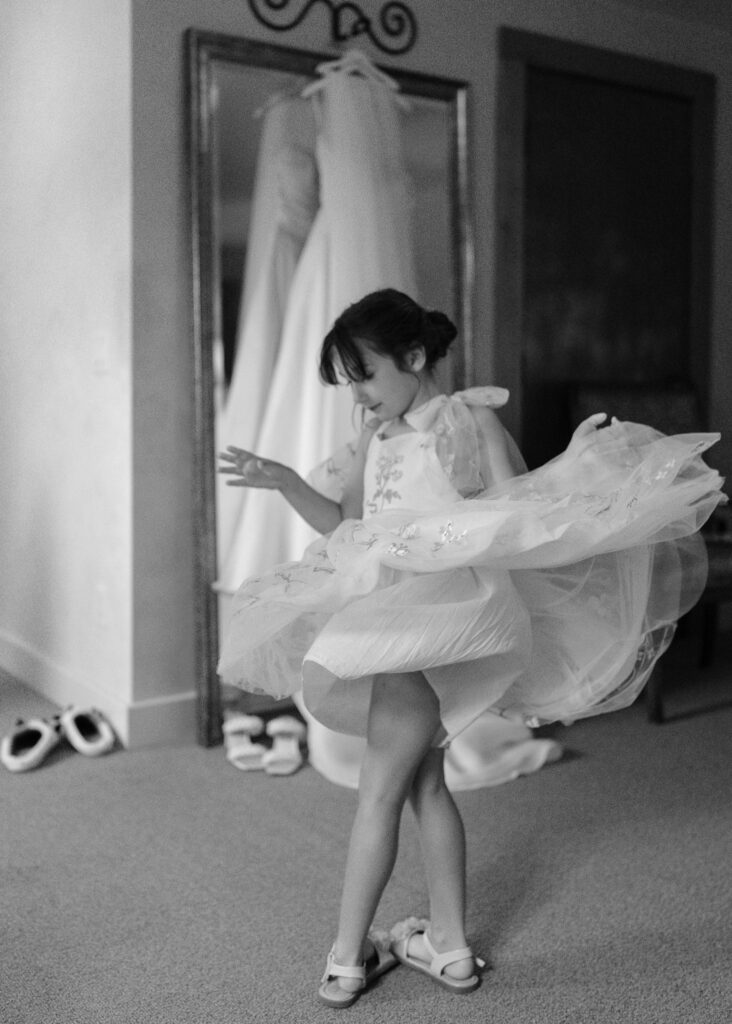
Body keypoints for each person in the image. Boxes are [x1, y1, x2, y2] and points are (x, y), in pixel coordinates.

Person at [217, 289, 723, 1008]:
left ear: (414, 357)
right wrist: (286, 481)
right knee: (426, 783)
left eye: (364, 375)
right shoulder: (377, 437)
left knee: (377, 797)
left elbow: (521, 509)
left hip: (429, 625)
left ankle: (346, 958)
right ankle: (449, 949)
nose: (357, 395)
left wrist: (579, 466)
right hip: (405, 613)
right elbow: (346, 525)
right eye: (349, 382)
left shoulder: (467, 417)